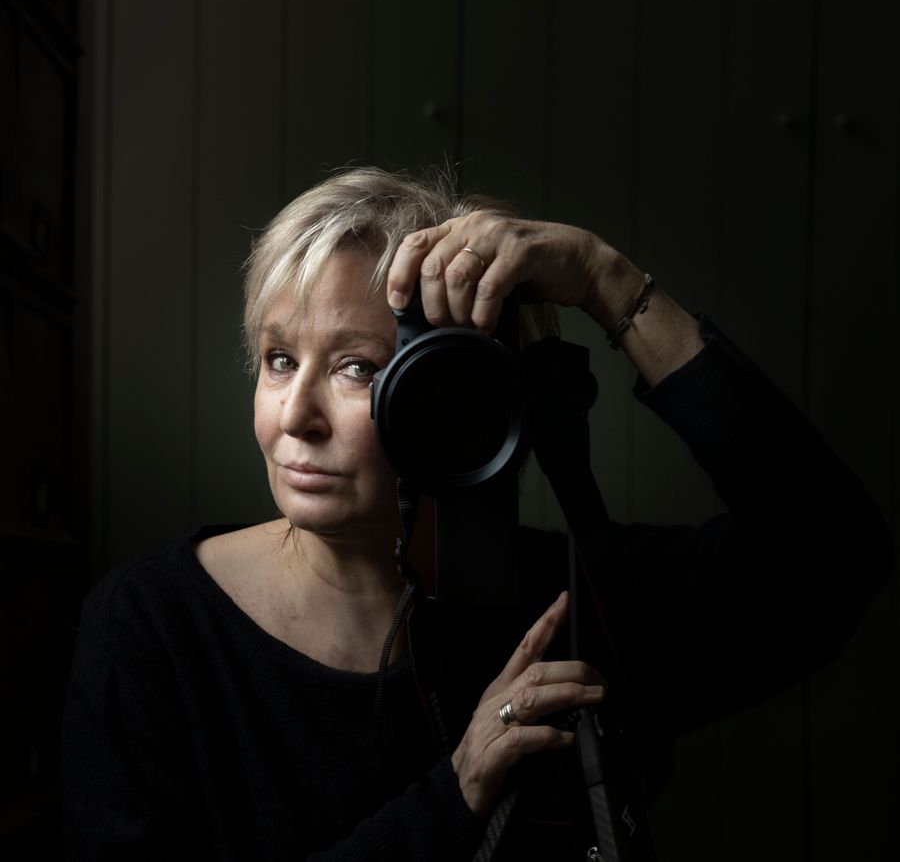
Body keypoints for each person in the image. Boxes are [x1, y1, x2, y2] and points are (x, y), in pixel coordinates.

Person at [61, 166, 893, 860]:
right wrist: (456, 795)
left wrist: (611, 286)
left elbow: (831, 554)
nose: (294, 416)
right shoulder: (150, 627)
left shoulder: (576, 611)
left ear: (465, 402)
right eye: (279, 359)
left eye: (356, 368)